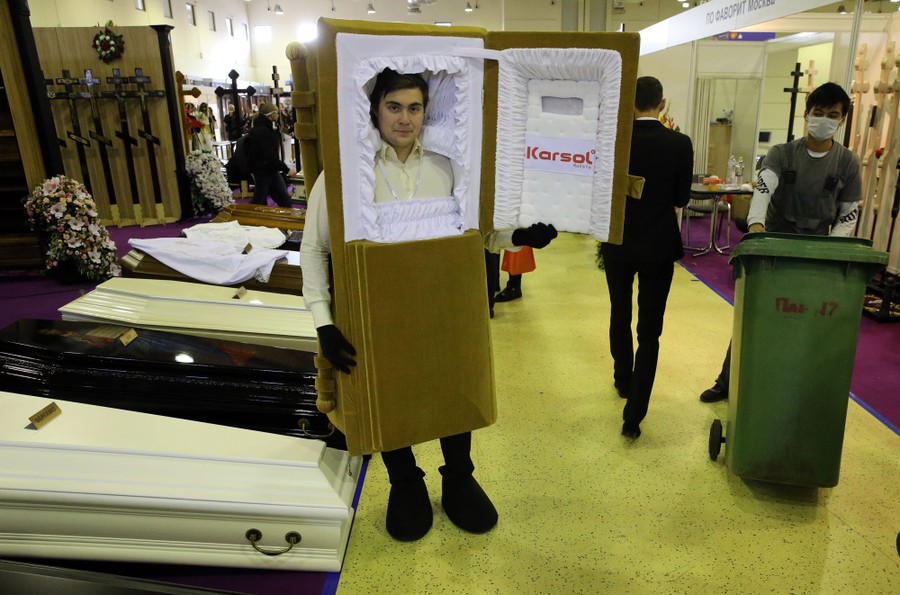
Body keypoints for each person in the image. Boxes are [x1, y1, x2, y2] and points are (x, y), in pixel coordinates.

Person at [300, 68, 556, 542]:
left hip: (445, 305)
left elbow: (480, 233)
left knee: (452, 385)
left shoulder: (447, 165)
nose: (405, 118)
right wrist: (324, 322)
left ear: (426, 111)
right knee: (388, 390)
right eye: (394, 107)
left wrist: (520, 236)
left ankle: (459, 477)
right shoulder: (343, 172)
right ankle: (405, 481)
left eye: (414, 108)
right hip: (377, 311)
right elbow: (315, 249)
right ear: (375, 109)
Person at [700, 82, 861, 403]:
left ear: (842, 120)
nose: (824, 120)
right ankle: (727, 381)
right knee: (754, 316)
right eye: (818, 112)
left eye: (832, 115)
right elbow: (763, 190)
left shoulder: (848, 163)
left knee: (808, 323)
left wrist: (832, 249)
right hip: (773, 248)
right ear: (807, 114)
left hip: (817, 255)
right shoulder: (781, 154)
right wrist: (756, 226)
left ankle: (794, 390)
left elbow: (849, 213)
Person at [601, 76, 693, 439]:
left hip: (618, 241)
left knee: (619, 312)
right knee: (650, 331)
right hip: (659, 244)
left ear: (629, 102)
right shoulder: (680, 143)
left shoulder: (616, 141)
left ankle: (622, 379)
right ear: (662, 104)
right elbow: (682, 198)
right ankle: (634, 415)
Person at [248, 102, 296, 208]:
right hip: (264, 171)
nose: (278, 115)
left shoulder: (265, 128)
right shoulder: (263, 131)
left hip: (269, 170)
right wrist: (287, 169)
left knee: (283, 200)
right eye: (276, 113)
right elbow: (269, 155)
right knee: (259, 202)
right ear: (271, 115)